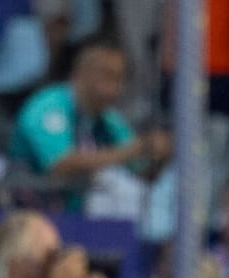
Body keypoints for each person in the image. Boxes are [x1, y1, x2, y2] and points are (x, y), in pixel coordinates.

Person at [10, 36, 172, 215]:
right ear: (82, 72)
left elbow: (142, 172)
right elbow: (61, 166)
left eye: (120, 78)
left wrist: (159, 155)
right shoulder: (48, 106)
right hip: (26, 216)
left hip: (79, 218)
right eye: (107, 75)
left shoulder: (108, 119)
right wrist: (135, 149)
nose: (115, 87)